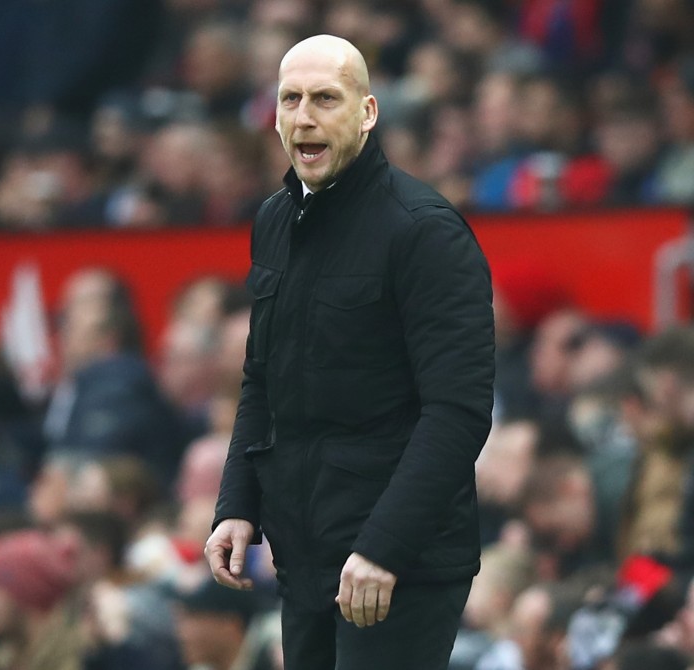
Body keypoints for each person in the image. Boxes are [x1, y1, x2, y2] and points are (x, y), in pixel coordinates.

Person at [204, 34, 495, 669]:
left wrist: (384, 547)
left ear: (366, 113)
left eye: (325, 99)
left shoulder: (425, 232)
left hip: (399, 566)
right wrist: (237, 505)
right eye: (290, 99)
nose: (304, 116)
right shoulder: (274, 221)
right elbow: (261, 381)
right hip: (305, 558)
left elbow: (458, 412)